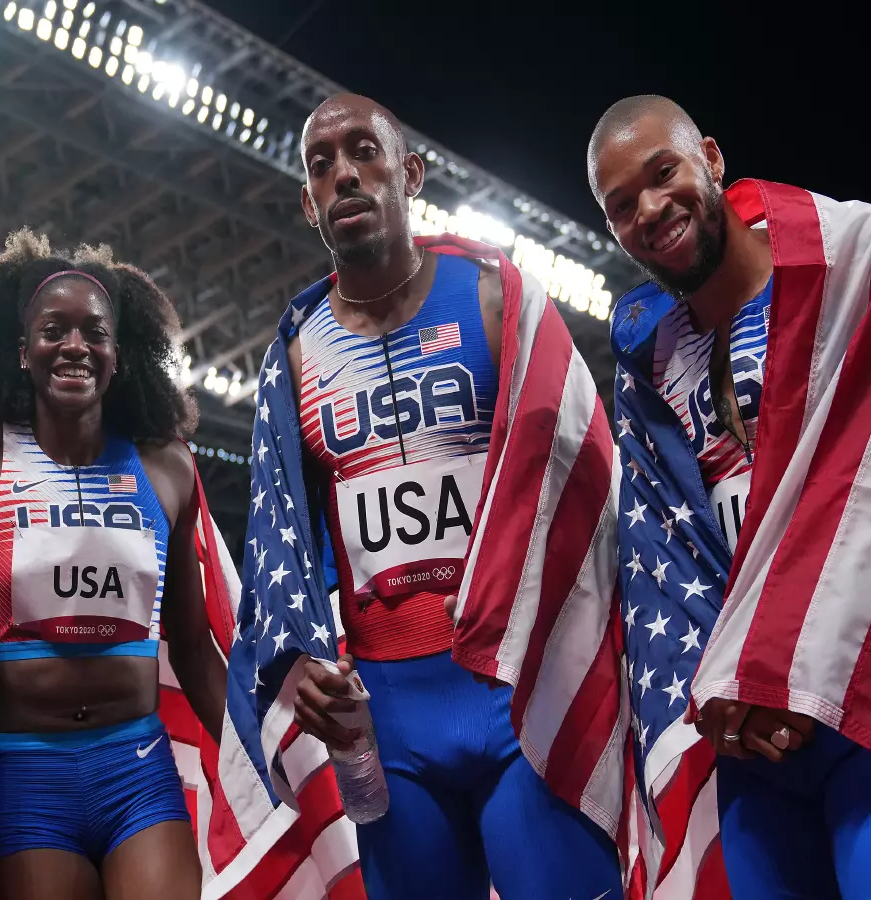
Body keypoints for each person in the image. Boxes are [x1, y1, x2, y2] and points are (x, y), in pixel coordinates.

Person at [246, 92, 624, 900]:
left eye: (364, 153)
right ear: (308, 204)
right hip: (390, 714)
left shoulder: (498, 300)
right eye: (322, 166)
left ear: (409, 174)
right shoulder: (296, 355)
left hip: (518, 687)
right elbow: (285, 537)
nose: (344, 173)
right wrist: (301, 650)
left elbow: (589, 482)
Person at [590, 95, 871, 899]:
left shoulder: (853, 279)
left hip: (868, 701)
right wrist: (724, 698)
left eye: (664, 175)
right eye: (623, 206)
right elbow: (663, 557)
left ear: (712, 159)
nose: (651, 211)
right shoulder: (651, 370)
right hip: (753, 739)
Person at [0, 230, 226, 900]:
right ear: (22, 351)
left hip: (136, 766)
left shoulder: (164, 468)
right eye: (54, 330)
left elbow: (192, 645)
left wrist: (264, 753)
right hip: (29, 774)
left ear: (117, 353)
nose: (75, 345)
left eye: (94, 333)